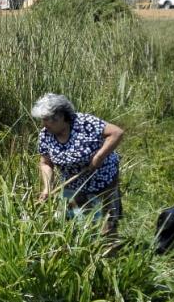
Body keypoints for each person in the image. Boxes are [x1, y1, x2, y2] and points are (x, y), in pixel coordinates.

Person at [32, 93, 124, 234]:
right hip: (72, 183)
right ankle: (84, 249)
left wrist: (98, 157)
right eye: (43, 120)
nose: (44, 124)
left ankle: (108, 247)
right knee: (75, 220)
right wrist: (47, 188)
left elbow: (116, 133)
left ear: (62, 116)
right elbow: (46, 163)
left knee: (104, 219)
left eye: (48, 120)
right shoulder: (45, 134)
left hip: (101, 177)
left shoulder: (85, 123)